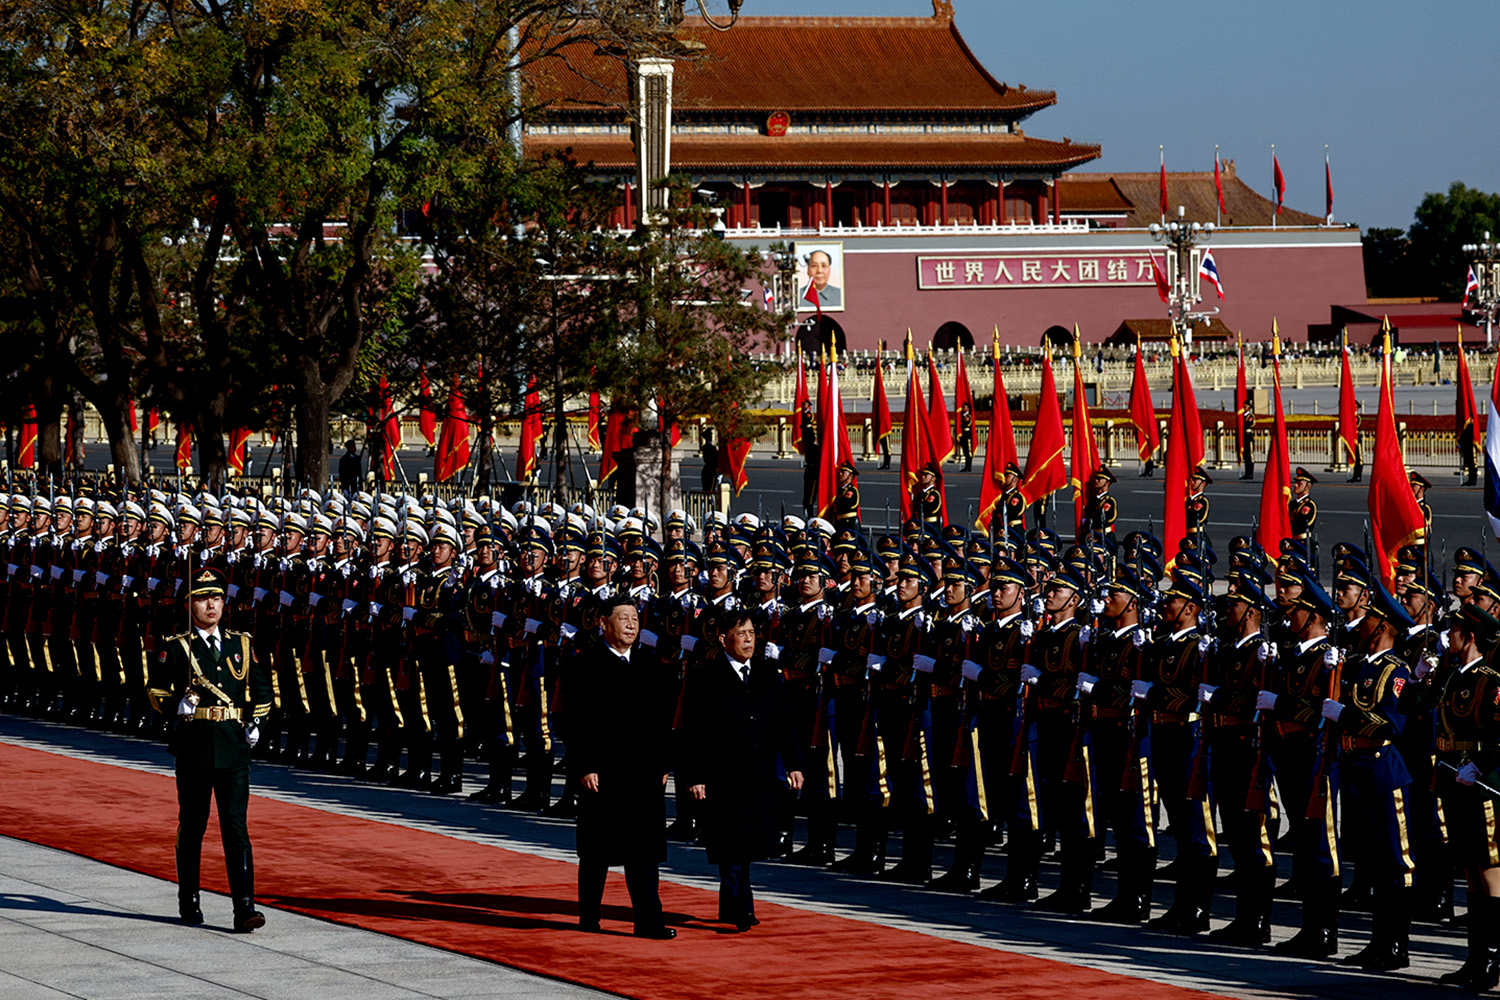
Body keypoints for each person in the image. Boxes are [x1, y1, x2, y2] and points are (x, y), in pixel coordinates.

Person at [147, 567, 271, 932]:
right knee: (194, 824)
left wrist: (257, 724)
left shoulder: (242, 644)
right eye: (202, 599)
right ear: (190, 605)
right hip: (195, 746)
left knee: (236, 828)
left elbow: (263, 691)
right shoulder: (176, 646)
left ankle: (244, 908)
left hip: (233, 747)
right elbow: (154, 691)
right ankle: (190, 900)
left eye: (216, 598)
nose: (211, 605)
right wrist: (177, 708)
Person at [684, 611, 803, 932]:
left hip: (758, 774)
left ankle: (733, 904)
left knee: (747, 842)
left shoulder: (767, 673)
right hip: (723, 775)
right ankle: (740, 908)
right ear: (723, 639)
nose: (749, 640)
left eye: (752, 633)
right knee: (730, 840)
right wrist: (695, 775)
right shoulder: (706, 674)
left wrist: (794, 764)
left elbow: (783, 723)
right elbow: (694, 729)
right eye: (741, 634)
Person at [568, 596, 676, 939]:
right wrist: (584, 765)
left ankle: (649, 921)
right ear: (603, 623)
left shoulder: (649, 664)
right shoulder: (585, 664)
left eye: (634, 618)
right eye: (623, 618)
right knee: (597, 852)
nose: (631, 624)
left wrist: (663, 763)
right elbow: (574, 722)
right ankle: (589, 917)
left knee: (643, 853)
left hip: (642, 774)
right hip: (603, 773)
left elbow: (662, 721)